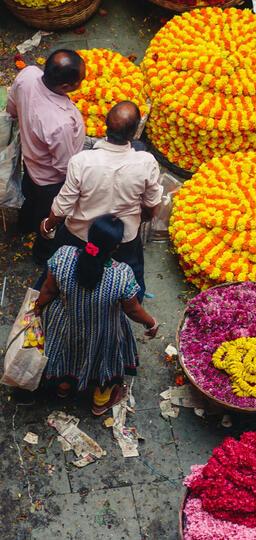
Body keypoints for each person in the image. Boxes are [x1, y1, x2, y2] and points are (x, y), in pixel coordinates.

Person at [33, 214, 159, 414]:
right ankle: (100, 403)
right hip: (102, 333)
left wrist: (38, 305)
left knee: (67, 355)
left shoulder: (63, 256)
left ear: (89, 235)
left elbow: (48, 290)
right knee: (105, 362)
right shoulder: (122, 275)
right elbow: (133, 309)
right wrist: (151, 323)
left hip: (66, 325)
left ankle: (63, 389)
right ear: (116, 247)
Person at [39, 101, 162, 302]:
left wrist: (48, 225)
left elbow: (63, 206)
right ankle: (132, 303)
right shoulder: (146, 162)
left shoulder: (82, 161)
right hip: (122, 238)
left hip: (80, 234)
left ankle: (48, 300)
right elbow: (151, 205)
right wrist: (142, 217)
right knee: (132, 275)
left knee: (58, 270)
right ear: (136, 130)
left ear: (105, 125)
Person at [6, 49, 86, 263]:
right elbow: (64, 166)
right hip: (50, 180)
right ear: (66, 87)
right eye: (81, 80)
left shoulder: (28, 75)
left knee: (30, 197)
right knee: (49, 217)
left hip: (31, 163)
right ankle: (43, 254)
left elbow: (11, 107)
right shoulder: (59, 123)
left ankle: (24, 225)